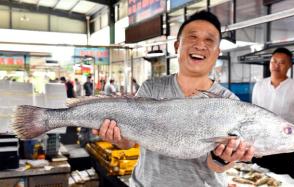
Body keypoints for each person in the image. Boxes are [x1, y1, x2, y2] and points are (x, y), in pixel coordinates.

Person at [93, 11, 255, 187]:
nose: (200, 45)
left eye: (209, 40)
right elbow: (130, 142)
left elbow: (216, 166)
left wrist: (224, 158)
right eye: (192, 37)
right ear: (177, 46)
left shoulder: (229, 102)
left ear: (217, 53)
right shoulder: (152, 88)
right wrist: (117, 138)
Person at [251, 47, 294, 179]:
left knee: (286, 180)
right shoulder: (259, 86)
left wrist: (293, 138)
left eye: (282, 62)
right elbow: (254, 114)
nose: (276, 65)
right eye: (274, 61)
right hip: (262, 144)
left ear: (290, 65)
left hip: (286, 147)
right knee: (257, 178)